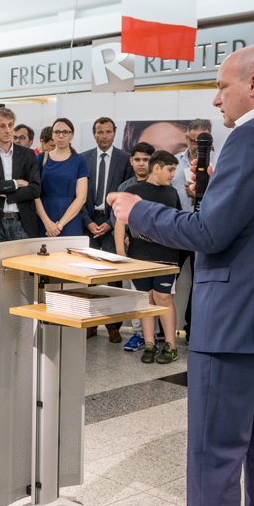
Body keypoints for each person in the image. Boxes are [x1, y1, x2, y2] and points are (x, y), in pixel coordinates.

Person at [108, 43, 254, 506]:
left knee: (215, 453)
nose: (215, 100)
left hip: (236, 324)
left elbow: (210, 233)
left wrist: (138, 210)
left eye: (221, 87)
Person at [0, 108, 41, 340]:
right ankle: (1, 336)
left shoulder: (27, 154)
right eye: (2, 126)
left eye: (11, 125)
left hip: (21, 225)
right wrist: (15, 183)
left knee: (24, 283)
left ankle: (24, 335)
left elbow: (35, 189)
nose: (7, 130)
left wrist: (4, 190)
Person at [115, 151, 181, 364]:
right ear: (157, 168)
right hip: (139, 256)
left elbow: (178, 225)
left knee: (163, 298)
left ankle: (171, 346)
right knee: (145, 300)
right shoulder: (133, 190)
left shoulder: (172, 193)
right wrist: (120, 253)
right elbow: (120, 223)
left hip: (167, 256)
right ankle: (150, 344)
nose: (173, 174)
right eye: (170, 170)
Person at [80, 117, 133, 343]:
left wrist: (111, 222)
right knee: (88, 278)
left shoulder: (125, 159)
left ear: (114, 133)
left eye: (108, 132)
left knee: (113, 279)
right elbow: (78, 195)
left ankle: (113, 326)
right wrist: (88, 221)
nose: (104, 136)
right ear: (94, 134)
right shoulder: (83, 159)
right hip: (89, 224)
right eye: (100, 132)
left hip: (113, 227)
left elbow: (126, 194)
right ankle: (90, 324)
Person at [172, 119, 217, 345]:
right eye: (193, 140)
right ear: (187, 139)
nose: (197, 144)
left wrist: (202, 194)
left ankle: (194, 329)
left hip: (207, 231)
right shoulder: (176, 162)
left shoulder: (219, 162)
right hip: (180, 229)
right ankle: (165, 330)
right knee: (169, 280)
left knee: (202, 282)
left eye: (203, 140)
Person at [110, 142, 154, 352]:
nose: (141, 163)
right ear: (131, 161)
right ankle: (138, 333)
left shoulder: (159, 185)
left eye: (146, 159)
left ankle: (154, 335)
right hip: (131, 248)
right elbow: (118, 217)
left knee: (155, 295)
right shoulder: (124, 187)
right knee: (135, 292)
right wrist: (126, 240)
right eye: (137, 159)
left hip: (155, 249)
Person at [35, 117, 88, 237]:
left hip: (70, 219)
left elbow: (81, 198)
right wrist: (47, 222)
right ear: (52, 135)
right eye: (57, 132)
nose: (61, 135)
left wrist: (59, 225)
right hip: (44, 218)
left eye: (65, 132)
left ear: (72, 135)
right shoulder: (41, 158)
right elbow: (34, 194)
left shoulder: (79, 160)